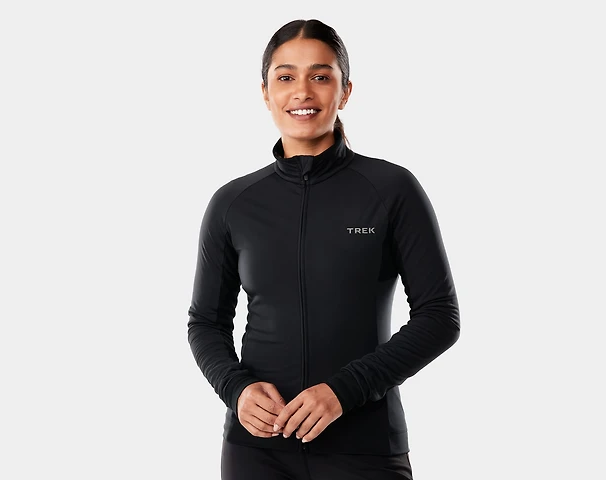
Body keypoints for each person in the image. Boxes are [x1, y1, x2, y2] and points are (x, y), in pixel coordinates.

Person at [187, 18, 460, 480]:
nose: (302, 91)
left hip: (365, 447)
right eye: (285, 77)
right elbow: (205, 322)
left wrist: (343, 392)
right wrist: (236, 389)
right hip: (257, 452)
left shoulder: (391, 189)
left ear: (345, 91)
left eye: (320, 76)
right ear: (265, 92)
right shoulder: (233, 202)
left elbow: (440, 316)